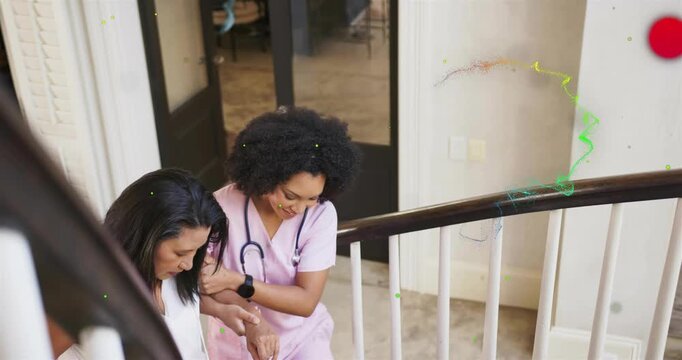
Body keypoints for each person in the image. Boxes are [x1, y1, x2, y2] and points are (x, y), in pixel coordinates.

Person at [200, 107, 361, 360]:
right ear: (266, 175)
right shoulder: (219, 207)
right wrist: (252, 317)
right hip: (236, 339)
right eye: (290, 196)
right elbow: (206, 281)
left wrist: (236, 280)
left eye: (312, 197)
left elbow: (306, 301)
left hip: (302, 339)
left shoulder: (320, 215)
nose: (298, 209)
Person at [52, 168, 264, 359]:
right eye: (180, 252)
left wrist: (219, 310)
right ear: (144, 237)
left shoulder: (170, 270)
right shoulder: (90, 291)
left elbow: (173, 308)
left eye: (197, 250)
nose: (189, 264)